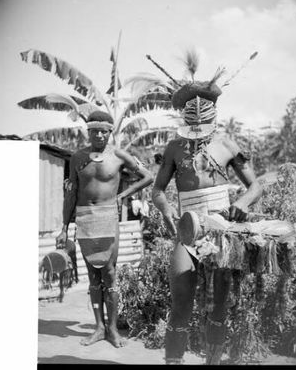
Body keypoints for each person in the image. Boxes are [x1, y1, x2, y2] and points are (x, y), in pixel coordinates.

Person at [152, 85, 263, 364]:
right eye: (193, 131)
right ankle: (173, 361)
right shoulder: (175, 148)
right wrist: (166, 211)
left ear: (214, 121)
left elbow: (256, 185)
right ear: (186, 123)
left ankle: (212, 361)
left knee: (218, 307)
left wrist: (242, 204)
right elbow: (158, 190)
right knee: (181, 304)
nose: (198, 137)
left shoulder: (227, 145)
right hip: (188, 231)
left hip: (221, 233)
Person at [56, 110, 153, 348]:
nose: (98, 134)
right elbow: (71, 193)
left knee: (109, 274)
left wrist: (123, 195)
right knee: (92, 277)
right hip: (85, 218)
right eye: (93, 131)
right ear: (88, 132)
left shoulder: (120, 155)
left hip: (108, 218)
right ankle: (99, 327)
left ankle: (112, 329)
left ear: (110, 132)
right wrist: (64, 228)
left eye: (103, 131)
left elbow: (148, 176)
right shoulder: (77, 158)